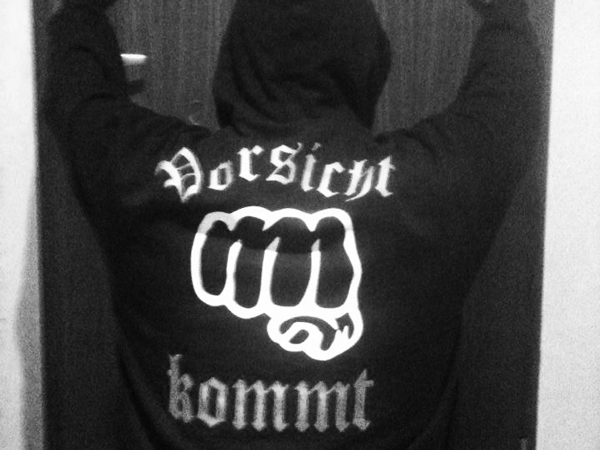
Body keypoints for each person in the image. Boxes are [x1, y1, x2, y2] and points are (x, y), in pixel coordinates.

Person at [44, 0, 543, 448]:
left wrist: (82, 12)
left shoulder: (143, 174)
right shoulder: (436, 186)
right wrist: (505, 16)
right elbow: (508, 102)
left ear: (232, 63)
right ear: (371, 64)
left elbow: (77, 97)